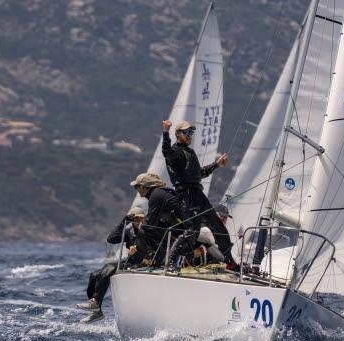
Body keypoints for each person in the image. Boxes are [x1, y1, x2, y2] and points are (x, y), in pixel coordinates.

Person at [161, 119, 233, 266]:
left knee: (219, 227)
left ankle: (230, 262)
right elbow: (166, 152)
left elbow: (200, 173)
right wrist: (165, 132)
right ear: (178, 134)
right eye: (186, 132)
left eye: (191, 132)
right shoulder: (174, 152)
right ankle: (170, 261)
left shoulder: (190, 152)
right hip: (185, 195)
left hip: (198, 194)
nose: (189, 135)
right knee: (192, 230)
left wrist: (217, 164)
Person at [77, 207, 145, 323]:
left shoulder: (149, 230)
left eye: (141, 218)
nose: (138, 221)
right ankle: (96, 310)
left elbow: (155, 247)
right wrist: (124, 221)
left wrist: (140, 248)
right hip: (130, 260)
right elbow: (111, 239)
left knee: (109, 268)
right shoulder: (129, 231)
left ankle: (96, 303)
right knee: (94, 275)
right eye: (135, 219)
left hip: (143, 262)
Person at [129, 172, 182, 267]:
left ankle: (142, 261)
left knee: (143, 230)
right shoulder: (159, 193)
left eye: (136, 186)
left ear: (143, 187)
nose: (135, 189)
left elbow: (149, 222)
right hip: (178, 228)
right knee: (148, 229)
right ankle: (153, 260)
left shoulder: (155, 195)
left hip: (183, 229)